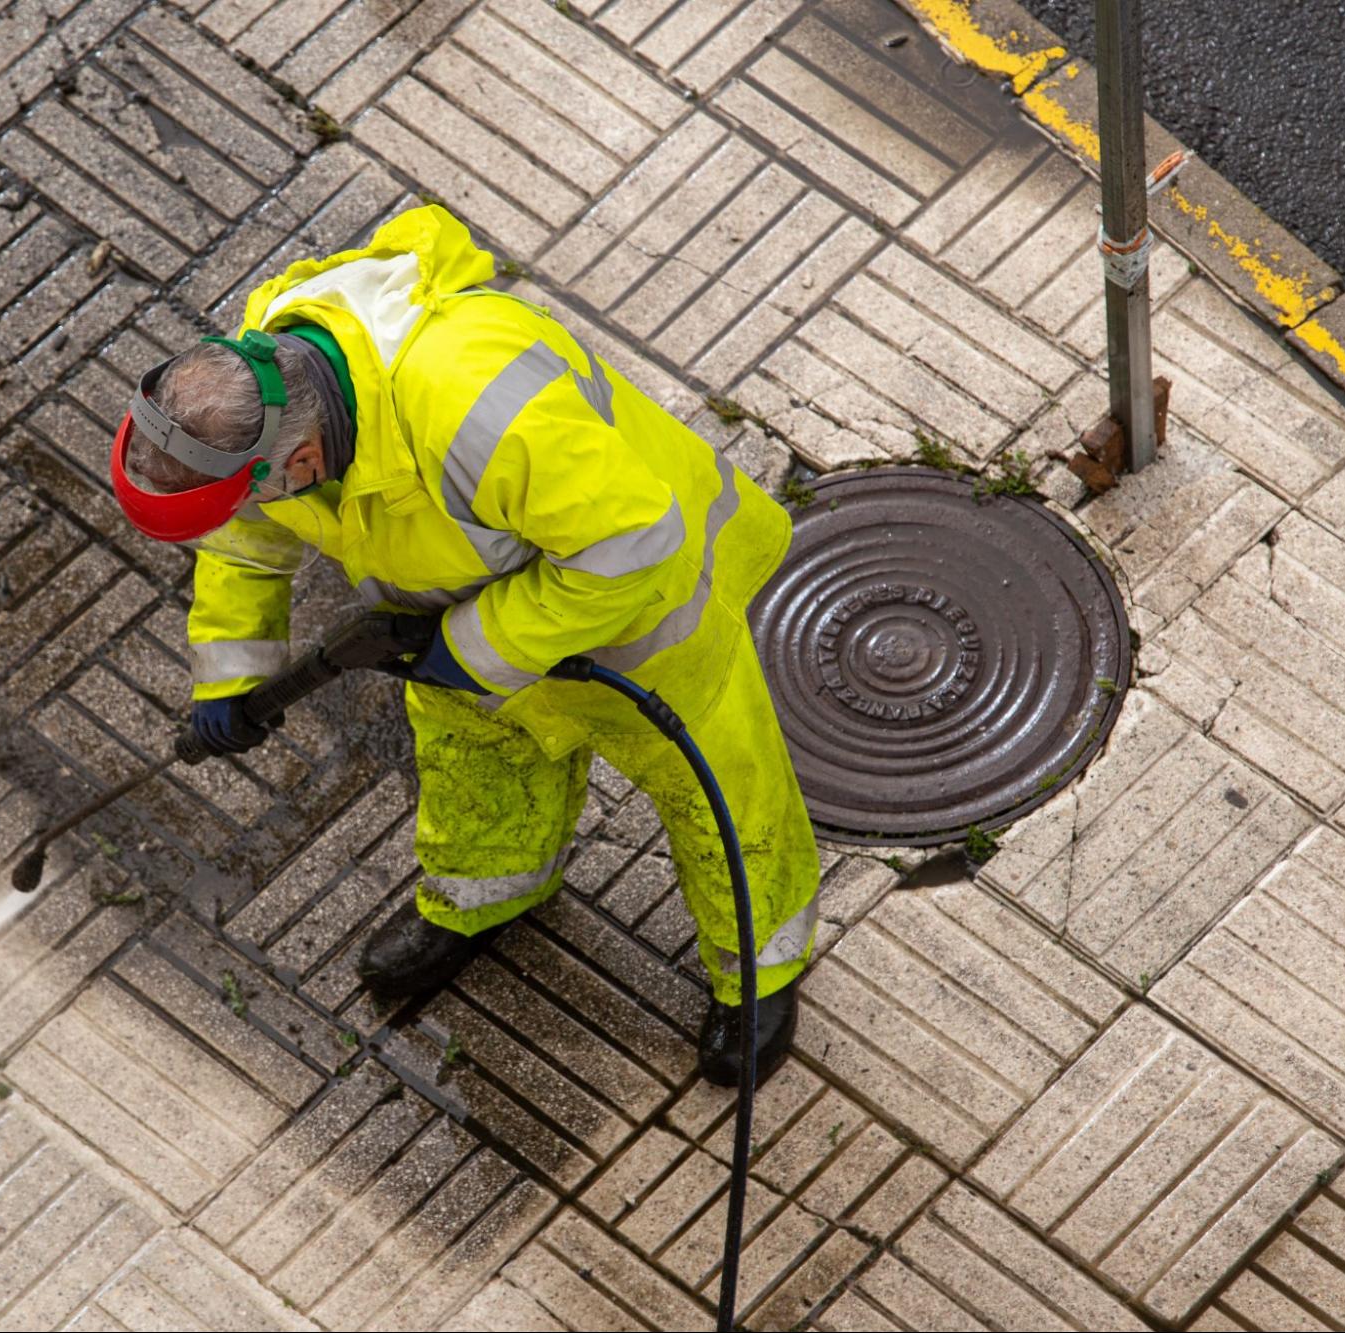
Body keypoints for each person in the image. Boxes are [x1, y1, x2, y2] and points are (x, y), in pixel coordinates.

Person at [107, 204, 819, 1085]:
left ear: (293, 463)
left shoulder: (476, 402)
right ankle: (489, 895)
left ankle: (762, 967)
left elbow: (633, 542)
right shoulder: (263, 390)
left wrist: (478, 646)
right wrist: (229, 669)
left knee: (715, 789)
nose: (253, 512)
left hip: (641, 618)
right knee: (473, 767)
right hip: (448, 623)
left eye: (253, 496)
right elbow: (246, 541)